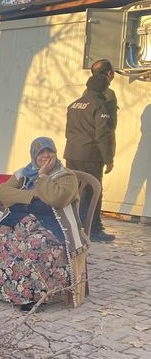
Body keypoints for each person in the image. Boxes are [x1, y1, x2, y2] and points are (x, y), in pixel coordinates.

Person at [0, 137, 89, 312]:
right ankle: (0, 289)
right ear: (34, 155)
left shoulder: (66, 176)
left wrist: (42, 177)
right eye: (41, 152)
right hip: (22, 221)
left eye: (50, 151)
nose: (46, 155)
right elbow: (4, 192)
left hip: (53, 226)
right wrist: (32, 195)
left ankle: (34, 296)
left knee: (32, 246)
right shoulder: (24, 172)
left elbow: (56, 198)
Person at [65, 61, 116, 242]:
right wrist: (108, 158)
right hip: (90, 155)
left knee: (75, 191)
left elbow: (68, 132)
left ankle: (73, 226)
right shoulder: (100, 105)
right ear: (104, 88)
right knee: (93, 191)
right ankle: (92, 230)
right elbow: (102, 135)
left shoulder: (74, 105)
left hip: (71, 153)